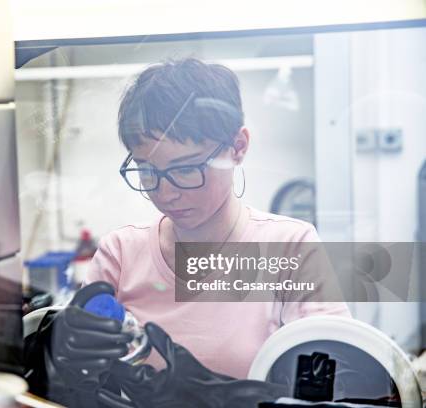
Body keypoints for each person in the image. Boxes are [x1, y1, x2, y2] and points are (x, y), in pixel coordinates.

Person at [26, 58, 350, 407]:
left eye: (186, 169)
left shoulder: (291, 248)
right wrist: (67, 360)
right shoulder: (120, 254)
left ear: (237, 147)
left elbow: (338, 387)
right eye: (148, 170)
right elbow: (81, 385)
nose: (166, 192)